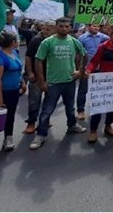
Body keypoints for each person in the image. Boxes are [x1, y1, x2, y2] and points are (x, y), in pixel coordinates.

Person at [29, 18, 87, 150]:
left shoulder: (73, 41)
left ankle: (72, 125)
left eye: (67, 26)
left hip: (69, 82)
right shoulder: (48, 42)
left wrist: (80, 71)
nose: (64, 29)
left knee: (70, 107)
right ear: (56, 27)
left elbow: (84, 54)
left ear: (70, 28)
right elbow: (38, 61)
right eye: (61, 26)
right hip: (53, 83)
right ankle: (41, 134)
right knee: (47, 110)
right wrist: (41, 81)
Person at [85, 26, 113, 143]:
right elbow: (94, 62)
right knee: (98, 107)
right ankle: (93, 130)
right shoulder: (103, 47)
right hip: (102, 82)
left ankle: (108, 125)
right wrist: (88, 70)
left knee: (112, 105)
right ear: (111, 35)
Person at [23, 21, 55, 134]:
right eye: (44, 28)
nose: (44, 31)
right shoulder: (36, 40)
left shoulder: (56, 41)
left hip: (52, 76)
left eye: (48, 29)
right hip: (36, 77)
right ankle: (31, 122)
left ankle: (45, 120)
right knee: (34, 101)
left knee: (49, 101)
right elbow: (28, 57)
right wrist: (30, 72)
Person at [76, 23, 109, 121]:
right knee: (83, 89)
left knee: (99, 90)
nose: (96, 28)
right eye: (94, 26)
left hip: (100, 68)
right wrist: (79, 69)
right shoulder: (82, 38)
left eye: (98, 26)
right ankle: (80, 110)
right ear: (88, 27)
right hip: (86, 68)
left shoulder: (104, 37)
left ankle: (97, 108)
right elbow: (78, 54)